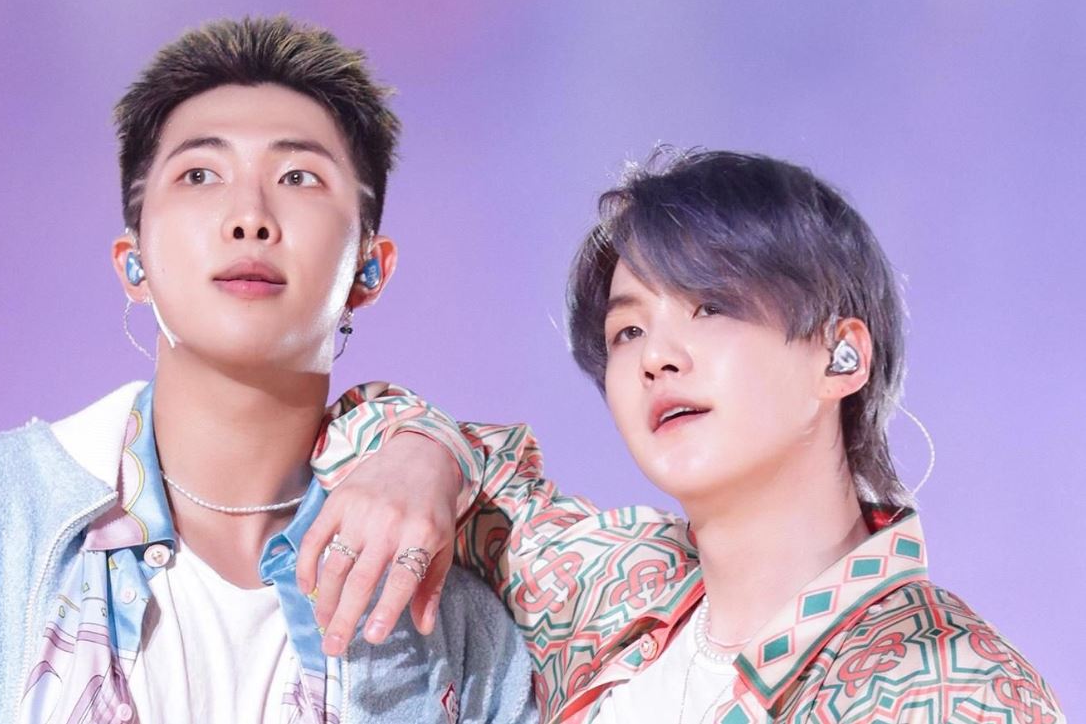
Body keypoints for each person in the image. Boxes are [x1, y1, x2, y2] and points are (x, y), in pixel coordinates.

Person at [0, 16, 535, 724]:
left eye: (299, 176)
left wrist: (435, 454)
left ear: (369, 268)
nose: (249, 217)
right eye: (200, 175)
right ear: (133, 262)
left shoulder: (455, 623)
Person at [310, 149, 1063, 722]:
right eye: (629, 330)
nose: (656, 357)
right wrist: (424, 460)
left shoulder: (956, 686)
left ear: (840, 356)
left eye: (712, 307)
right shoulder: (617, 593)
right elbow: (348, 434)